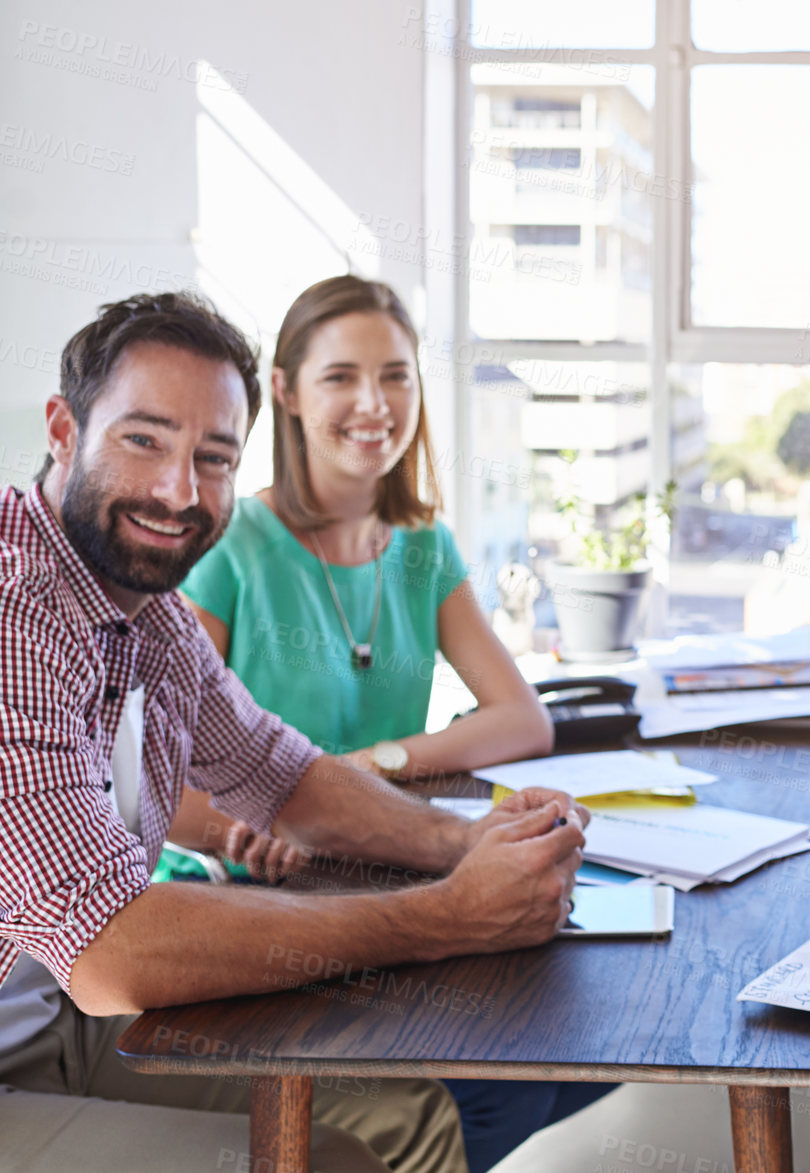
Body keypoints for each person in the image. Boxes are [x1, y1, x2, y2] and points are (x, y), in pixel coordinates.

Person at [0, 290, 590, 1173]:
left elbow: (287, 777)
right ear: (62, 428)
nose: (177, 490)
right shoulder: (17, 609)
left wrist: (466, 842)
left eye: (213, 457)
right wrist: (447, 915)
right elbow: (111, 949)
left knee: (406, 1116)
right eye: (143, 439)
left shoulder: (149, 613)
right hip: (43, 1034)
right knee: (337, 1155)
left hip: (54, 1023)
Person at [165, 274, 614, 1173]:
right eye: (341, 377)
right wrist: (254, 821)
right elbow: (155, 777)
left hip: (373, 858)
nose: (374, 404)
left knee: (583, 1042)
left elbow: (520, 719)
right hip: (252, 890)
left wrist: (371, 763)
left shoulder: (421, 545)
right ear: (286, 392)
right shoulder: (230, 548)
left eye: (396, 375)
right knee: (482, 1084)